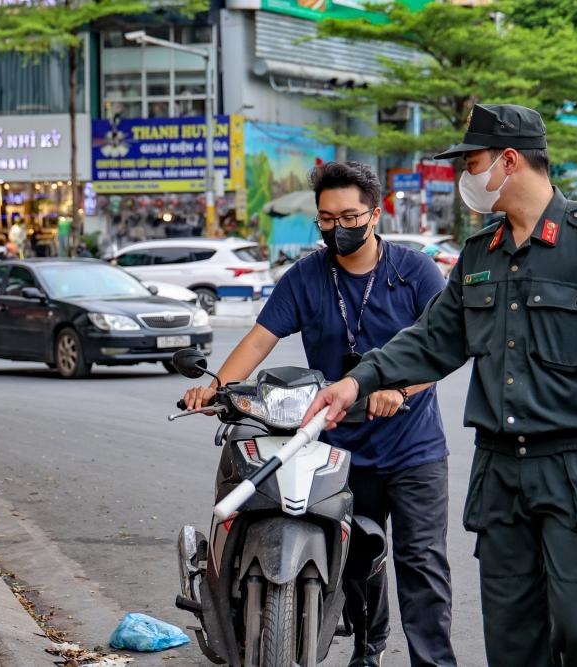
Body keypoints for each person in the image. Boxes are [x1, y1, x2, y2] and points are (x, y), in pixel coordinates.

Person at [304, 104, 577, 667]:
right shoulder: (480, 254)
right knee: (512, 636)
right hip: (500, 474)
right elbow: (432, 340)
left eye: (471, 162)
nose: (464, 176)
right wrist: (356, 382)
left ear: (509, 160)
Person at [183, 161, 457, 667]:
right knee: (351, 559)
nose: (338, 228)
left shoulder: (414, 271)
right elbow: (259, 338)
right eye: (326, 219)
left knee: (420, 565)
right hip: (337, 448)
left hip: (413, 450)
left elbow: (442, 347)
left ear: (375, 214)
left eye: (349, 216)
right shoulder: (307, 277)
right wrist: (216, 387)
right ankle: (367, 648)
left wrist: (399, 388)